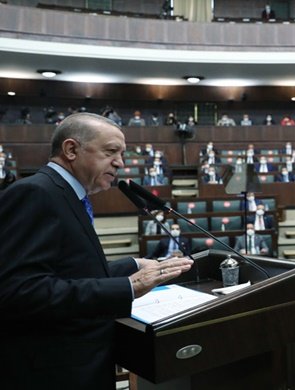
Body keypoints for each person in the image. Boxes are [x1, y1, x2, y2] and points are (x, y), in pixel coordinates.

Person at [0, 113, 193, 389]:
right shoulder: (36, 193)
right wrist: (127, 287)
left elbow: (68, 272)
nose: (120, 163)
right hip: (52, 373)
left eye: (122, 154)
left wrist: (133, 265)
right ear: (71, 150)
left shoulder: (66, 194)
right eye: (111, 151)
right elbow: (18, 292)